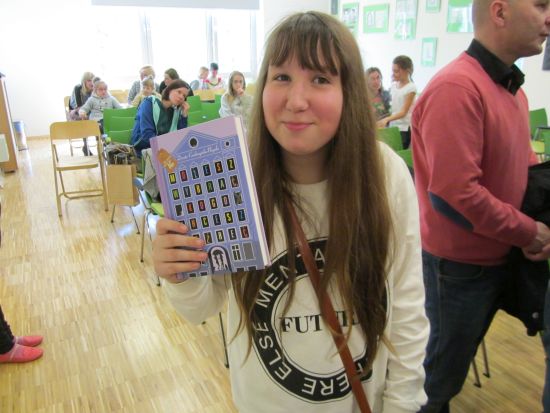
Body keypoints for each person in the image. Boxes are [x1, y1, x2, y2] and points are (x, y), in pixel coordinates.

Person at [153, 11, 428, 412]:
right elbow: (201, 307)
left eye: (320, 79)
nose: (297, 101)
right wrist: (178, 271)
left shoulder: (384, 172)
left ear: (349, 91)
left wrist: (403, 406)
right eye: (281, 77)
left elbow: (406, 310)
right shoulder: (231, 175)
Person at [411, 1, 550, 412]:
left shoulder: (512, 89)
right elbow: (454, 195)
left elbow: (521, 166)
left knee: (443, 378)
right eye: (540, 4)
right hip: (459, 269)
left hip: (498, 258)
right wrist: (529, 231)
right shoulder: (457, 88)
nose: (549, 17)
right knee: (432, 385)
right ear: (500, 12)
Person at [131, 79, 191, 154]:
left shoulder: (175, 111)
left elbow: (180, 136)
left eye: (184, 96)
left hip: (164, 150)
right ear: (170, 90)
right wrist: (170, 146)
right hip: (143, 149)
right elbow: (147, 135)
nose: (181, 97)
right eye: (179, 92)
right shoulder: (149, 103)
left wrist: (184, 114)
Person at [377, 56, 416, 149]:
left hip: (403, 128)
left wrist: (386, 119)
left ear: (407, 71)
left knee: (399, 154)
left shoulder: (411, 88)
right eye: (393, 71)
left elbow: (403, 112)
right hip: (393, 126)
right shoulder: (394, 85)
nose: (393, 74)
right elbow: (392, 107)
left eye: (396, 71)